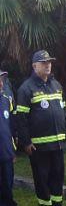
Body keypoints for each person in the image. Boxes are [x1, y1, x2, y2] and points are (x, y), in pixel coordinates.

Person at [15, 50, 66, 206]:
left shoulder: (56, 85)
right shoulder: (26, 89)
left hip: (58, 143)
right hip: (39, 146)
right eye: (44, 63)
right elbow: (21, 119)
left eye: (49, 62)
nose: (48, 65)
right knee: (42, 180)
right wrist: (26, 142)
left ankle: (57, 203)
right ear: (34, 66)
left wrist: (65, 134)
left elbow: (63, 111)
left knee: (58, 177)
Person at [0, 70, 17, 206]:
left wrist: (13, 150)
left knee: (7, 183)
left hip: (6, 152)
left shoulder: (7, 99)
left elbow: (12, 126)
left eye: (2, 80)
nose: (1, 84)